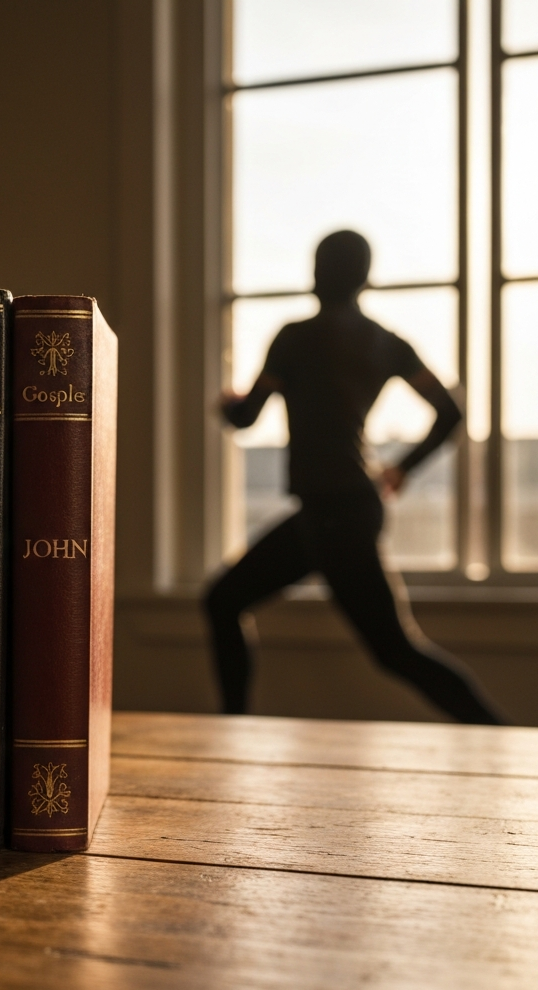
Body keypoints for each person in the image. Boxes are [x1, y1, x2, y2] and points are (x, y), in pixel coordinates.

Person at [204, 230, 503, 724]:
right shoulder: (387, 344)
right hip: (340, 512)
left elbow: (246, 417)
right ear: (365, 278)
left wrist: (227, 403)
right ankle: (231, 727)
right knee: (225, 601)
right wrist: (401, 470)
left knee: (395, 650)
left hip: (332, 516)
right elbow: (450, 412)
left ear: (318, 274)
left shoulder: (294, 337)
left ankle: (501, 736)